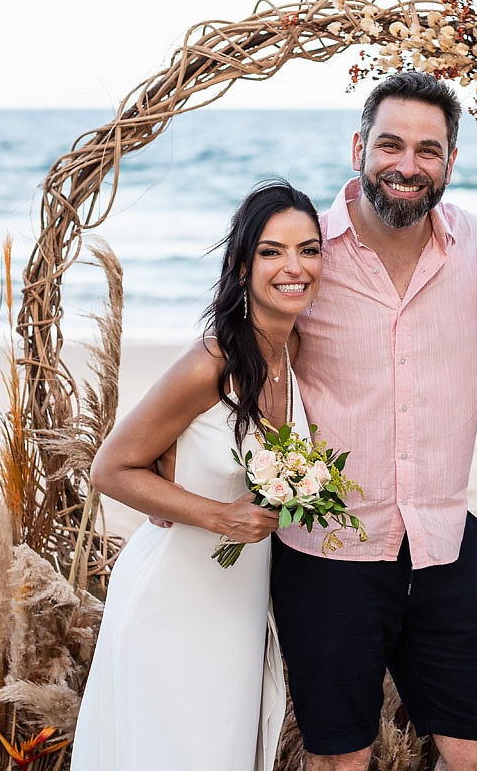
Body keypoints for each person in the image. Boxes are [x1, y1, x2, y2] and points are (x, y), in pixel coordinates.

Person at [269, 72, 477, 771]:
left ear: (450, 162)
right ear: (359, 148)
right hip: (329, 551)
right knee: (340, 758)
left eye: (428, 150)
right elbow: (237, 354)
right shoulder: (307, 250)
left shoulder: (475, 244)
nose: (408, 165)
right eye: (390, 145)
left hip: (440, 544)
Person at [72, 180, 322, 771]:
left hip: (240, 607)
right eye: (272, 251)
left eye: (309, 250)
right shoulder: (210, 362)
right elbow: (110, 467)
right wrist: (220, 516)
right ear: (241, 266)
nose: (294, 267)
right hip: (173, 598)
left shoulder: (295, 352)